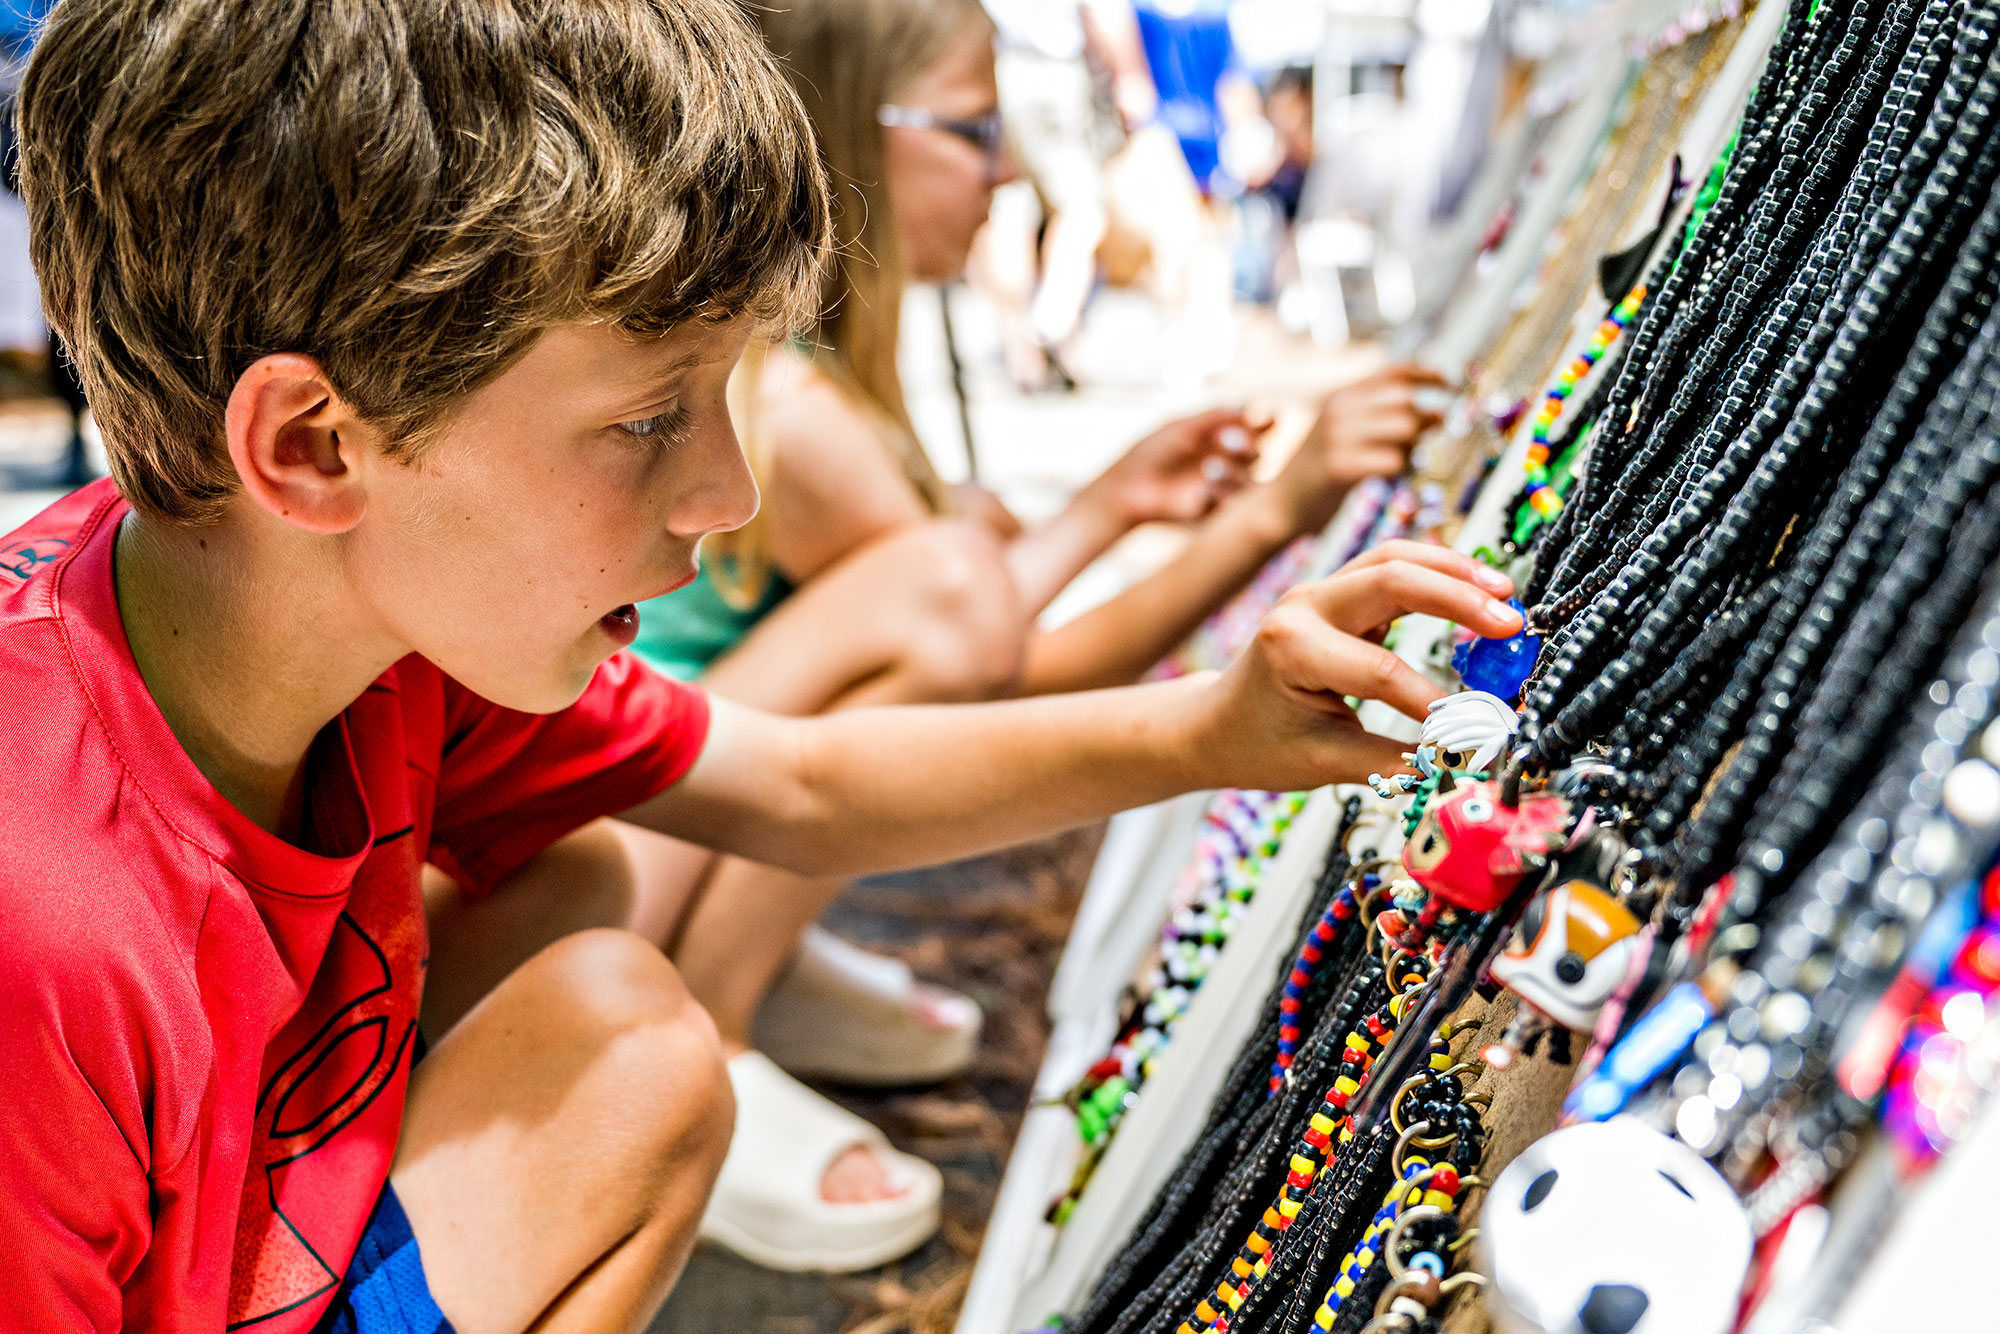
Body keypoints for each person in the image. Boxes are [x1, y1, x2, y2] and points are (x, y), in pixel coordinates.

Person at [0, 1, 1523, 1325]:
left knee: (599, 937)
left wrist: (1218, 725)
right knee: (629, 1030)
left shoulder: (376, 611)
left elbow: (795, 781)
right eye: (651, 418)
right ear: (315, 445)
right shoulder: (44, 925)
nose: (727, 493)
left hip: (227, 1192)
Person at [609, 0, 1449, 1264]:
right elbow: (989, 667)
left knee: (952, 568)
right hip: (607, 842)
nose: (1003, 169)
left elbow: (968, 615)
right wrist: (1267, 516)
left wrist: (1110, 508)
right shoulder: (799, 413)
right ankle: (700, 1021)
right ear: (857, 140)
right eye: (972, 128)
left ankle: (751, 975)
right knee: (946, 582)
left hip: (648, 806)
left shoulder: (817, 379)